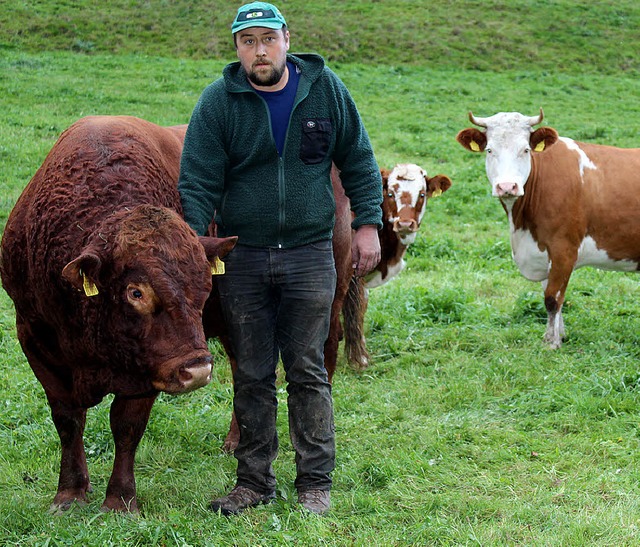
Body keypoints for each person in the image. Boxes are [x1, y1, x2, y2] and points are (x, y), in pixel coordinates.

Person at [178, 1, 382, 516]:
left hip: (311, 254)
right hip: (243, 258)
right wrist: (189, 241)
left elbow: (358, 157)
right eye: (248, 42)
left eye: (267, 39)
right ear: (237, 48)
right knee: (250, 372)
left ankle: (314, 482)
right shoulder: (218, 102)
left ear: (287, 39)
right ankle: (254, 483)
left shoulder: (325, 90)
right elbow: (198, 180)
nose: (259, 50)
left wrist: (367, 225)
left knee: (308, 369)